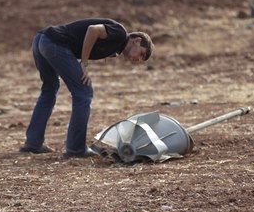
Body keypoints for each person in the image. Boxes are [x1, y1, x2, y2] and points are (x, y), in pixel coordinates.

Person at [20, 18, 154, 158]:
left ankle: (33, 143)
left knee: (49, 89)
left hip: (41, 40)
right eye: (141, 54)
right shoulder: (120, 34)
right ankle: (76, 148)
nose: (138, 59)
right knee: (84, 92)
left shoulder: (115, 46)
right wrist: (84, 64)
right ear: (137, 41)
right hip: (54, 43)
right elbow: (93, 30)